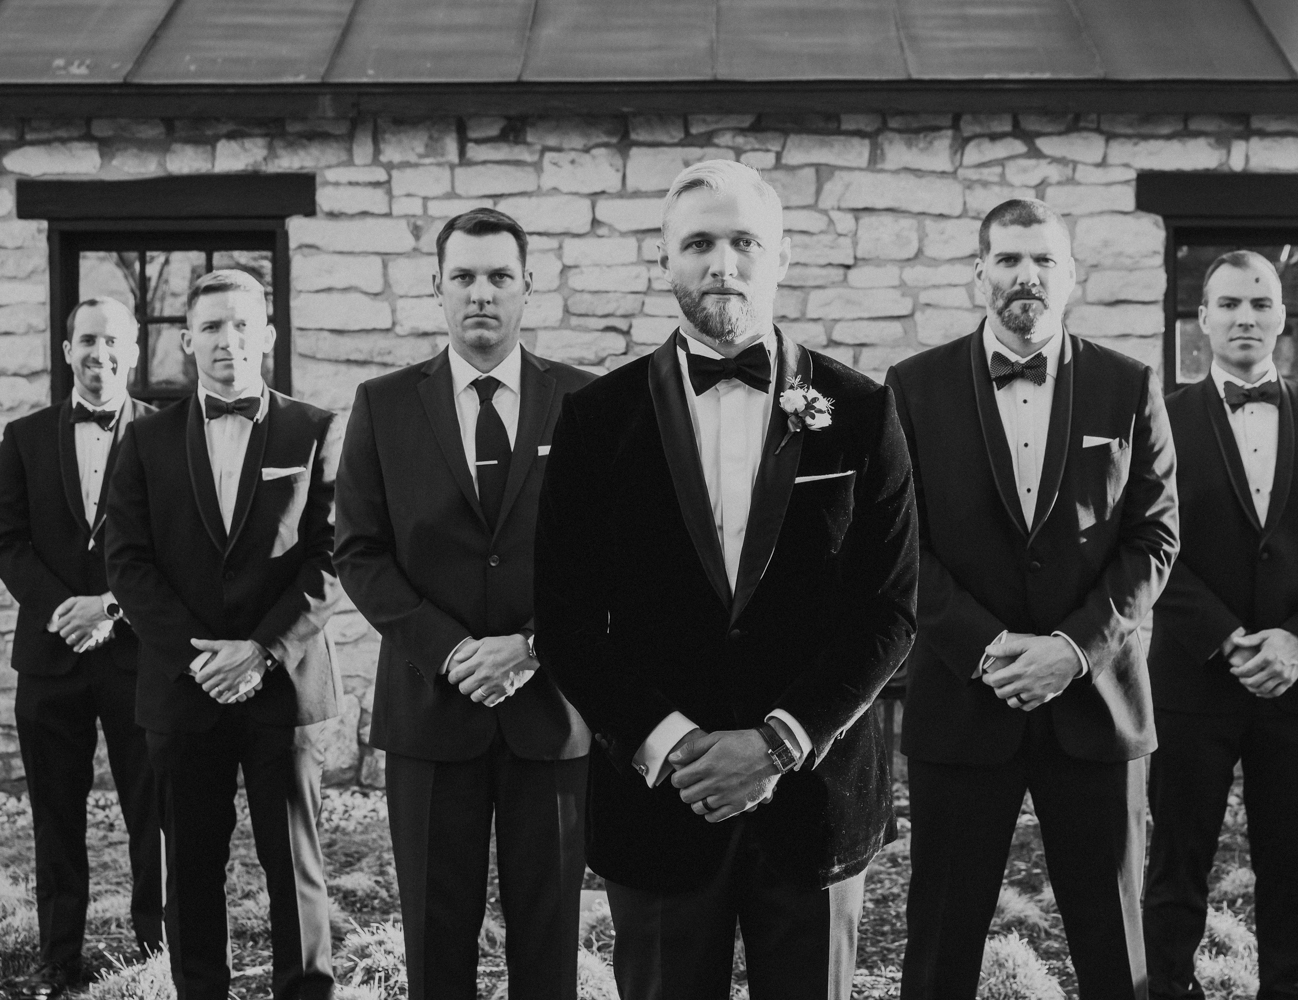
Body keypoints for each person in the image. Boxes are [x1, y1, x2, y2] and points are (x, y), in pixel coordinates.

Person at [534, 159, 918, 1000]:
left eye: (744, 241)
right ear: (665, 259)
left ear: (782, 256)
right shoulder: (597, 421)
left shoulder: (861, 410)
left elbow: (889, 610)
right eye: (699, 243)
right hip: (660, 804)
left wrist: (779, 742)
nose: (723, 264)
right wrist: (674, 746)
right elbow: (563, 618)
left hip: (815, 801)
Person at [888, 198, 1179, 1000]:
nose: (1027, 275)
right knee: (939, 950)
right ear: (979, 271)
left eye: (1045, 260)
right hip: (962, 704)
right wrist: (987, 649)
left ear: (1071, 276)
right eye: (1010, 258)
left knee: (1116, 954)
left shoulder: (1129, 385)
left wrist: (1073, 651)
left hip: (1097, 705)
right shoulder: (913, 387)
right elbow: (898, 544)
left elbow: (1154, 538)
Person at [334, 207, 594, 1000]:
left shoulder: (584, 401)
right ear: (437, 288)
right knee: (435, 938)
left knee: (548, 938)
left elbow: (610, 555)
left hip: (551, 711)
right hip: (429, 709)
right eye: (465, 277)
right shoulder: (383, 405)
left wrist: (534, 645)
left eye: (499, 277)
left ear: (527, 287)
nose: (482, 293)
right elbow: (359, 551)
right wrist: (449, 649)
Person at [105, 269, 341, 1000]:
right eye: (210, 326)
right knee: (192, 868)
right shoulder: (144, 440)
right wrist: (200, 659)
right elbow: (128, 561)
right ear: (186, 340)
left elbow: (334, 555)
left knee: (294, 866)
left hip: (286, 685)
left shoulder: (315, 430)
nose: (226, 340)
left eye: (241, 324)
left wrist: (262, 651)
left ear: (267, 335)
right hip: (185, 688)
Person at [1142, 250, 1298, 1000]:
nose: (1246, 317)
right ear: (1202, 318)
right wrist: (1226, 637)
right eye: (1230, 303)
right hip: (1192, 682)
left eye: (1261, 303)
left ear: (1281, 318)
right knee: (1176, 869)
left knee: (1289, 877)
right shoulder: (1159, 421)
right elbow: (1146, 540)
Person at [0, 297, 160, 998]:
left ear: (134, 350)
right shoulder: (24, 436)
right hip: (51, 657)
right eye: (86, 340)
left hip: (138, 656)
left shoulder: (166, 434)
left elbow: (174, 545)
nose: (99, 353)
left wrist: (110, 607)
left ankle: (157, 950)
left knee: (153, 810)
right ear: (66, 351)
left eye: (112, 341)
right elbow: (5, 540)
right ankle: (60, 959)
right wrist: (65, 610)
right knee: (55, 817)